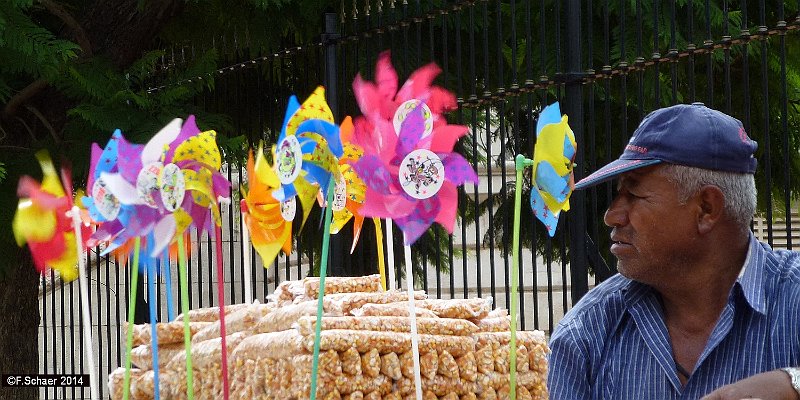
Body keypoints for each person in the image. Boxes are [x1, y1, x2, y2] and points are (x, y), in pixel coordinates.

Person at [547, 103, 800, 400]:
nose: (612, 215)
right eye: (618, 194)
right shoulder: (587, 333)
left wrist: (793, 383)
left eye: (634, 195)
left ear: (707, 209)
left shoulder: (792, 298)